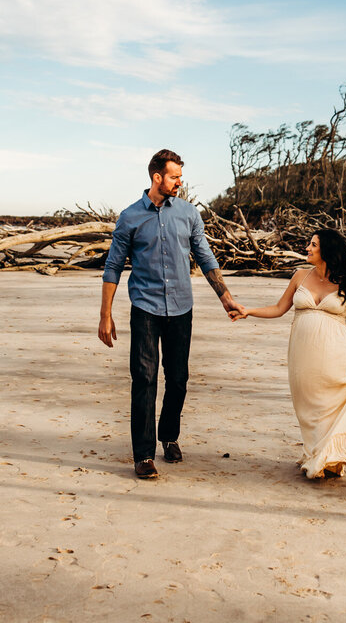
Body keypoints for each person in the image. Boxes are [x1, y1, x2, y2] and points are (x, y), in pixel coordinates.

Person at [99, 149, 240, 480]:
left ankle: (169, 436)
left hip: (181, 308)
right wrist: (105, 315)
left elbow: (205, 256)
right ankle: (144, 454)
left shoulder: (189, 214)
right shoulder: (130, 217)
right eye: (174, 176)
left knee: (178, 379)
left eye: (180, 176)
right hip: (145, 308)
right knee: (144, 379)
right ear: (157, 177)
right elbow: (113, 267)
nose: (180, 182)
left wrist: (226, 298)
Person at [232, 228, 346, 478]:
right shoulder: (300, 276)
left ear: (327, 251)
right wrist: (249, 311)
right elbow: (279, 309)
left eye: (313, 245)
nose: (307, 249)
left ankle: (326, 456)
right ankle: (316, 452)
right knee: (308, 406)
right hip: (302, 353)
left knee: (329, 402)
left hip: (335, 351)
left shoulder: (345, 280)